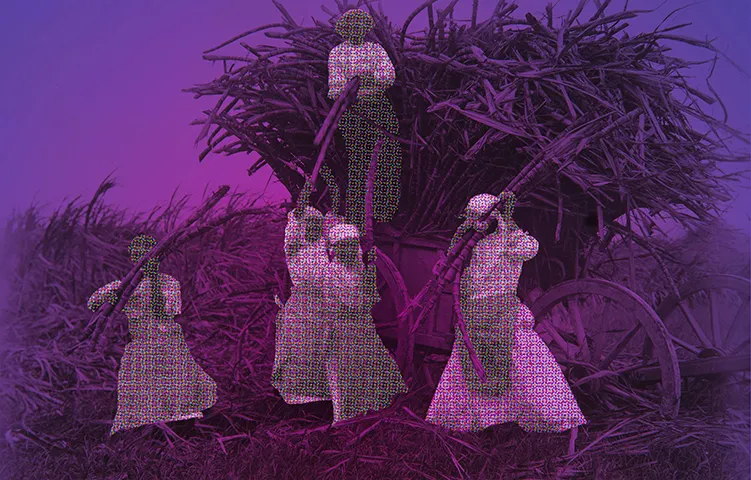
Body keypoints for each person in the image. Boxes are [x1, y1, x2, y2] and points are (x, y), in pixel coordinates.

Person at [425, 194, 587, 433]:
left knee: (523, 362)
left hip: (503, 314)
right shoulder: (467, 248)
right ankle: (475, 419)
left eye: (483, 220)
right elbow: (445, 270)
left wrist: (508, 225)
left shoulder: (511, 243)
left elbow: (530, 248)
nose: (478, 225)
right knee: (472, 364)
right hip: (473, 317)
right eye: (474, 220)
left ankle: (547, 415)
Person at [87, 235, 217, 436]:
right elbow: (93, 303)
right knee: (142, 393)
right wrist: (112, 297)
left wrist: (153, 280)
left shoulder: (169, 283)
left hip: (168, 343)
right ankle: (149, 435)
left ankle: (182, 433)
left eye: (149, 256)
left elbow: (164, 312)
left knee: (177, 389)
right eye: (139, 255)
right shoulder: (124, 285)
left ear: (157, 258)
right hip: (141, 343)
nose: (145, 261)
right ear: (133, 258)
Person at [325, 222, 406, 423]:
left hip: (361, 327)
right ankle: (344, 415)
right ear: (336, 249)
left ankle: (371, 408)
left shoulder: (357, 268)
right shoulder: (333, 273)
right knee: (344, 372)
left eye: (353, 245)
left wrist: (369, 273)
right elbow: (352, 303)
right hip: (343, 329)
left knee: (368, 366)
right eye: (344, 246)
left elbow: (369, 297)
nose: (349, 251)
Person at [328, 8, 401, 231]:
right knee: (359, 162)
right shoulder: (337, 54)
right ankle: (358, 220)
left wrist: (365, 80)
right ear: (344, 30)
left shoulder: (375, 50)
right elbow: (335, 88)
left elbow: (388, 77)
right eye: (351, 27)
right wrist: (355, 87)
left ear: (365, 28)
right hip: (353, 113)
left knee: (387, 159)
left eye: (359, 26)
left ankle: (383, 217)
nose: (355, 30)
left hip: (379, 107)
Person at [271, 205, 333, 404]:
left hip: (322, 307)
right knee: (300, 350)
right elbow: (293, 226)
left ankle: (321, 398)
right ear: (303, 227)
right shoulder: (295, 248)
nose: (315, 228)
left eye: (317, 224)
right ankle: (297, 398)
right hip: (302, 307)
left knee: (320, 352)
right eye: (311, 224)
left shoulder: (321, 248)